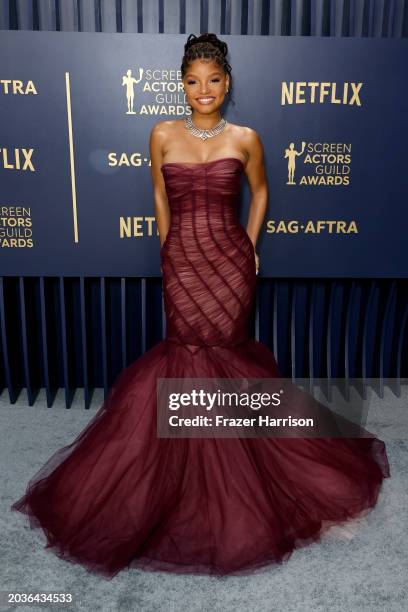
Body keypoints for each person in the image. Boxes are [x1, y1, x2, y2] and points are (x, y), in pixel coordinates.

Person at [11, 33, 390, 580]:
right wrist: (169, 253)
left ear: (226, 82)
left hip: (230, 264)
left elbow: (260, 192)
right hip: (183, 265)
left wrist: (251, 248)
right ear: (182, 85)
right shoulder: (162, 134)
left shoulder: (247, 137)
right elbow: (161, 198)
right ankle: (182, 478)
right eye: (193, 81)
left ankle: (240, 478)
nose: (204, 90)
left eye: (213, 80)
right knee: (184, 356)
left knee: (225, 360)